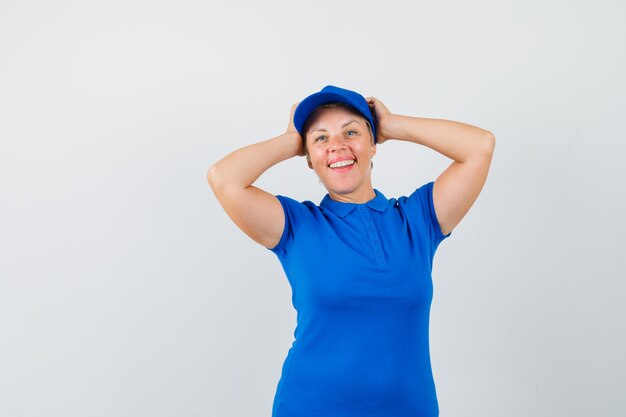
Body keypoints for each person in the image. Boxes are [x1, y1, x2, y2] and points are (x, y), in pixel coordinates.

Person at [207, 85, 495, 417]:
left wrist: (393, 125)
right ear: (309, 158)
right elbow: (223, 178)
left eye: (352, 132)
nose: (337, 146)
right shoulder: (296, 225)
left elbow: (480, 146)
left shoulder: (418, 219)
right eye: (320, 139)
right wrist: (291, 140)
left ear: (373, 146)